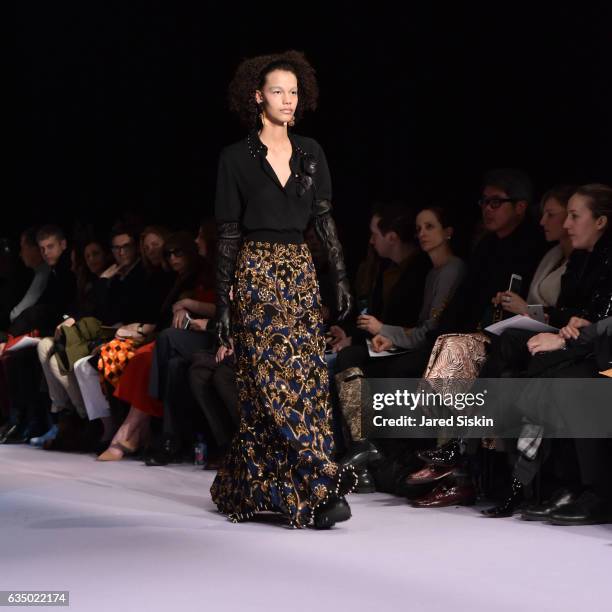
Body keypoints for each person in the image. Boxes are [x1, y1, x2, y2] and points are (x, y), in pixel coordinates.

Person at [210, 50, 357, 529]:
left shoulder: (312, 151)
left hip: (299, 274)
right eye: (278, 91)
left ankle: (255, 484)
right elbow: (228, 233)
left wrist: (339, 275)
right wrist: (223, 303)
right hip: (255, 273)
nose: (288, 100)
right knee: (272, 384)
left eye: (294, 92)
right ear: (258, 96)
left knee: (307, 382)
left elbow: (325, 220)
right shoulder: (235, 158)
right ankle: (322, 480)